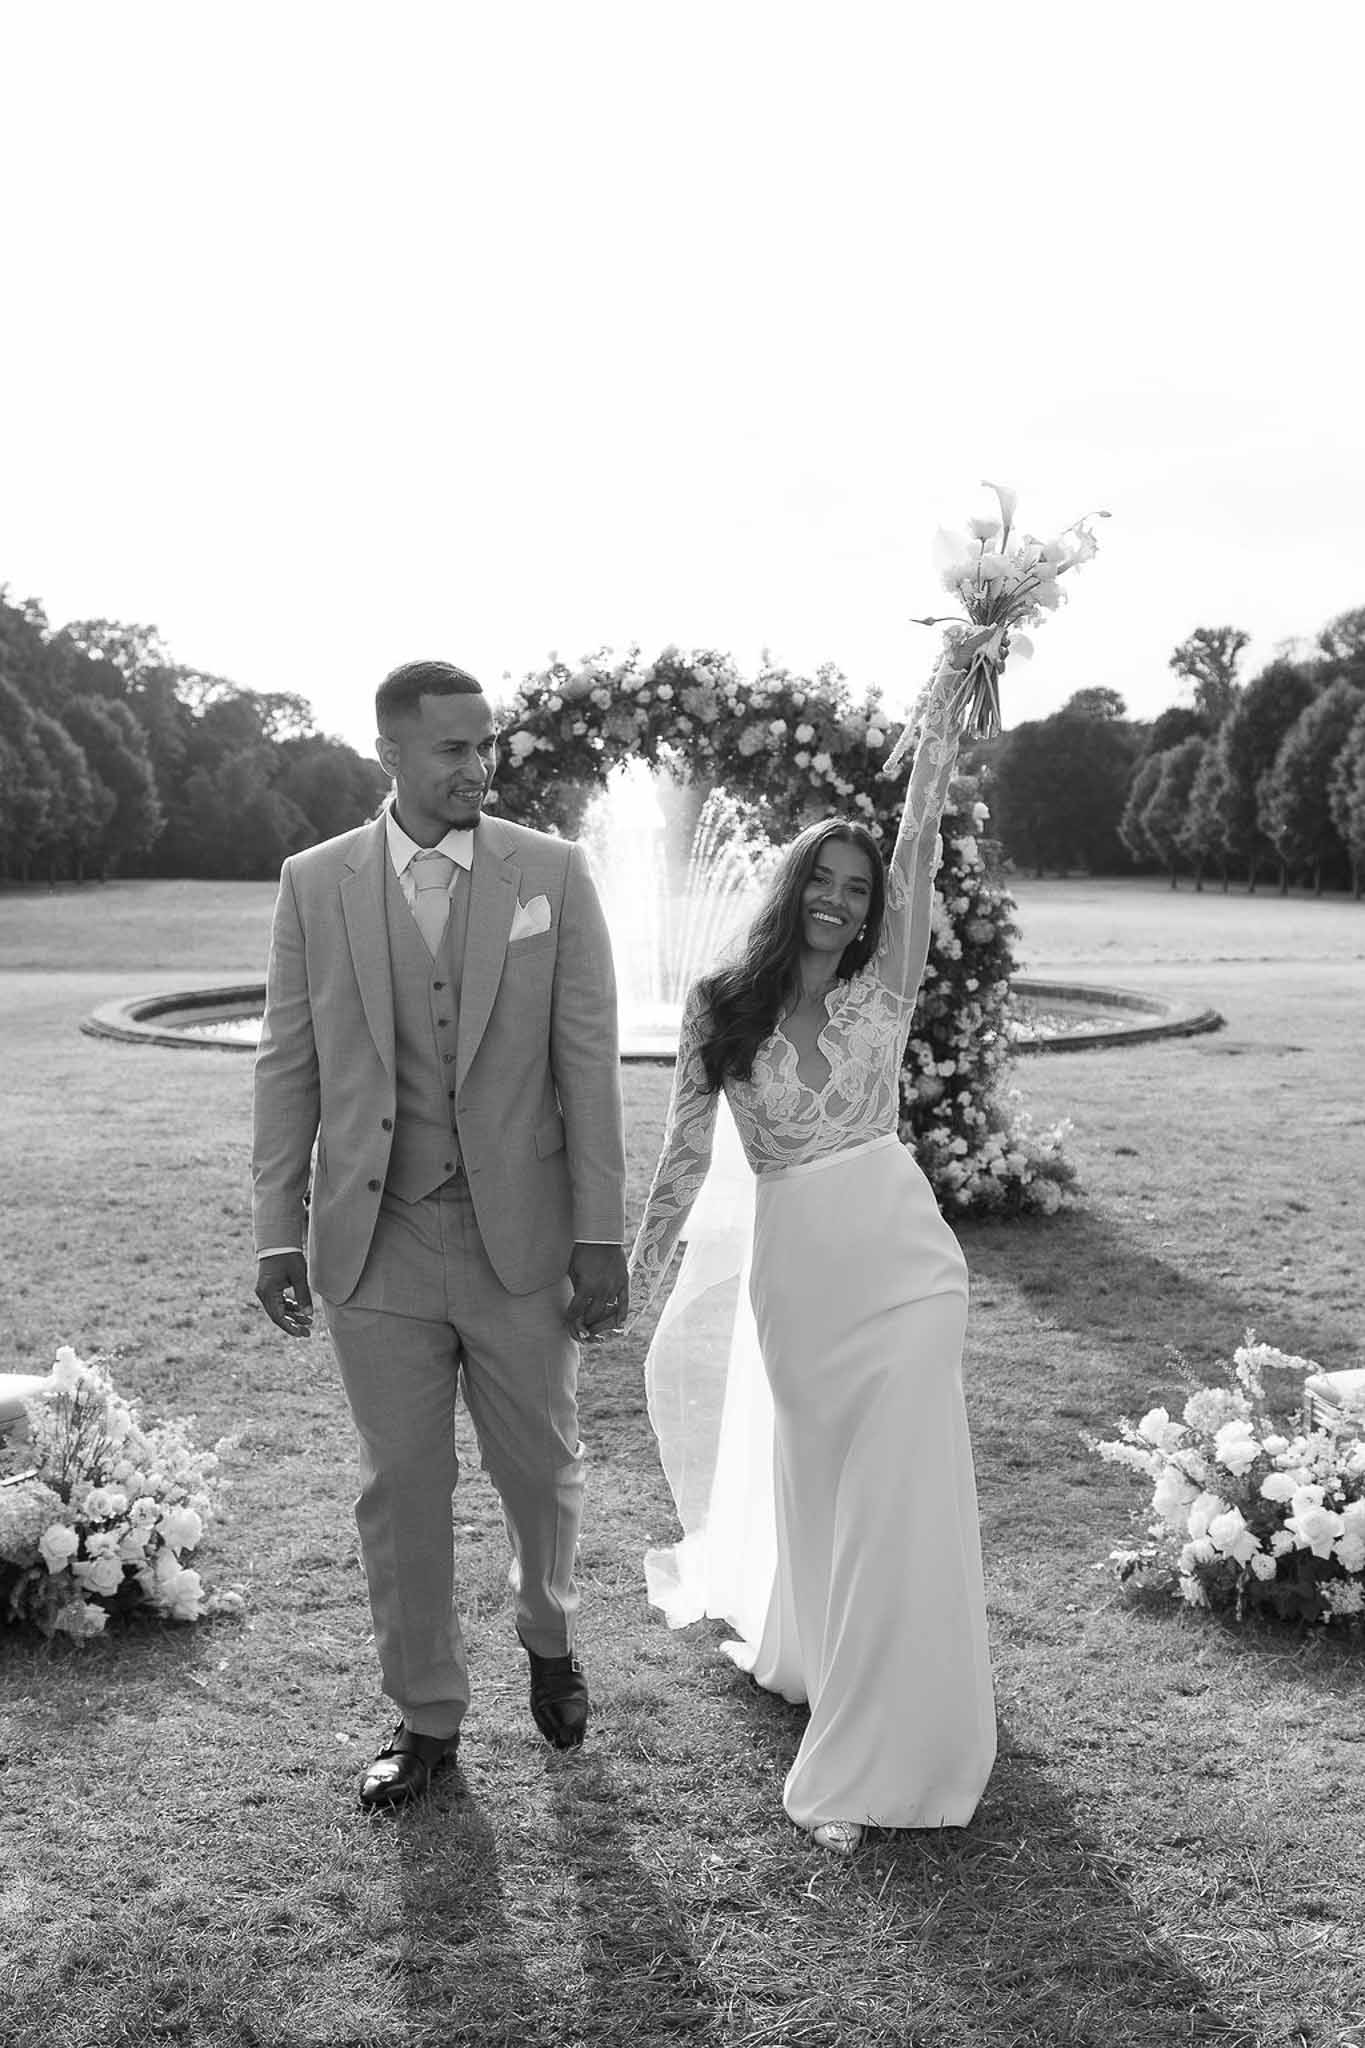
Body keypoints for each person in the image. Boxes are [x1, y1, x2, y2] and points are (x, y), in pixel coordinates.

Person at [626, 652, 996, 1855]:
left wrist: (941, 716)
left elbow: (923, 842)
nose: (841, 897)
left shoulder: (887, 983)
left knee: (903, 1487)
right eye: (823, 879)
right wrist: (629, 1278)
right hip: (802, 1282)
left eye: (857, 883)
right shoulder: (722, 1004)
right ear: (793, 887)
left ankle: (892, 1735)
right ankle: (836, 1661)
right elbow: (684, 1158)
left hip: (904, 1267)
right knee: (826, 1487)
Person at [252, 659, 629, 1811]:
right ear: (394, 756)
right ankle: (424, 1719)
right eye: (456, 747)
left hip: (522, 1235)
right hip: (375, 1241)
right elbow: (287, 1062)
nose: (481, 765)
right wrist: (277, 1231)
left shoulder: (551, 872)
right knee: (400, 1488)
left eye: (486, 744)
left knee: (542, 1472)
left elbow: (588, 1065)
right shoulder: (316, 883)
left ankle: (547, 1629)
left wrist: (599, 1233)